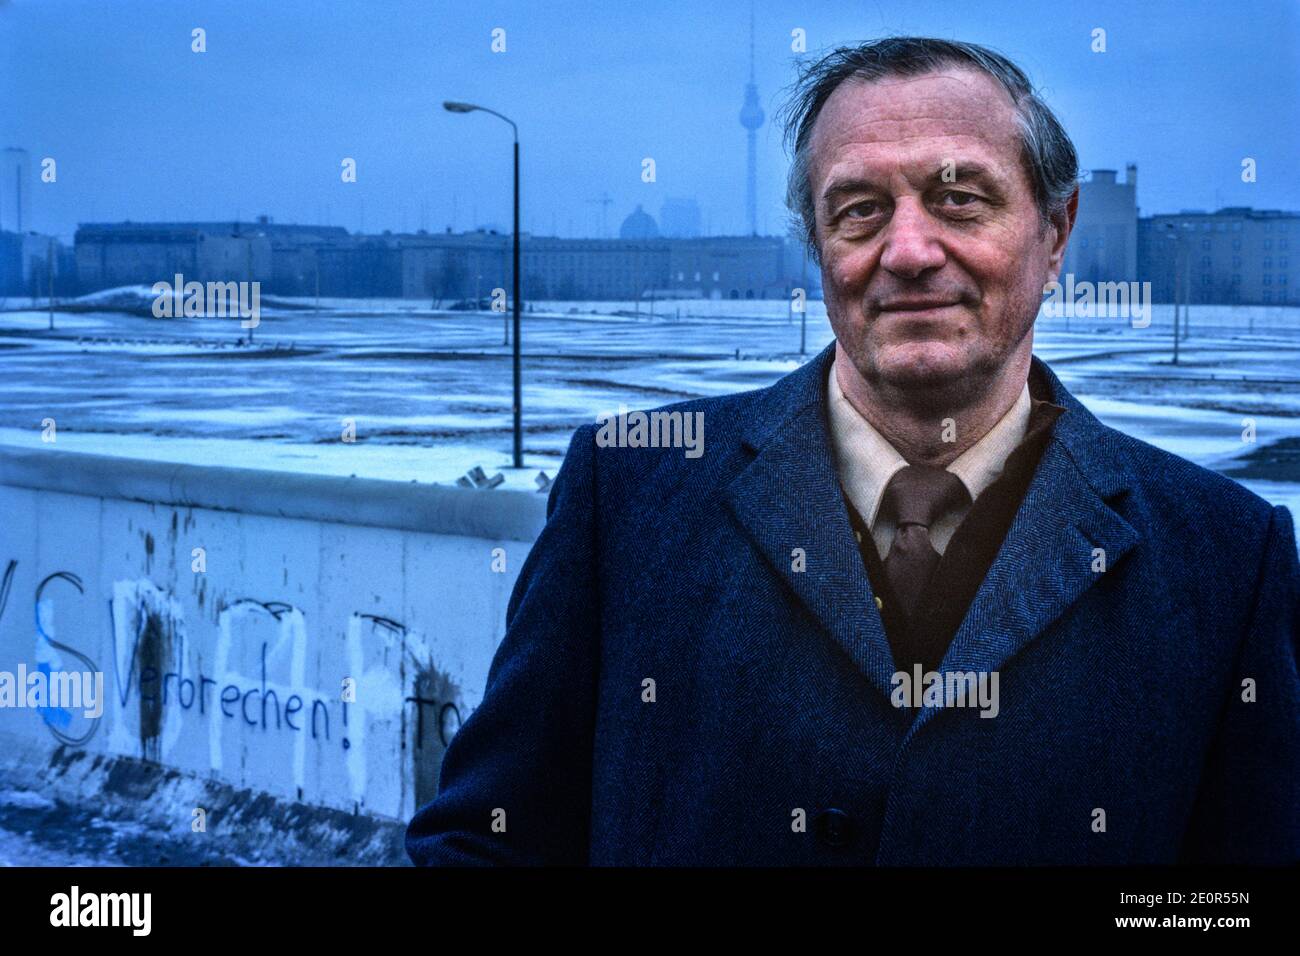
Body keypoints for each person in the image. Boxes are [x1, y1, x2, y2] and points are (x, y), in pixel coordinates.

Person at [407, 37, 1299, 865]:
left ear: (1055, 235)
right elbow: (490, 844)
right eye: (861, 210)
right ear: (819, 247)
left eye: (960, 199)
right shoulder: (629, 491)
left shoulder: (1226, 559)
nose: (908, 252)